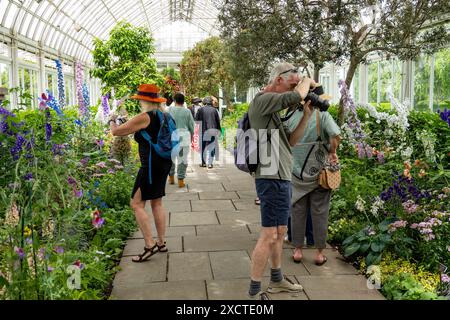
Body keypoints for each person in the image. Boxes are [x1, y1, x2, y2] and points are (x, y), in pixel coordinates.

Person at [247, 62, 316, 299]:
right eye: (292, 81)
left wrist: (305, 116)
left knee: (279, 231)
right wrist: (307, 82)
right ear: (278, 80)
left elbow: (291, 142)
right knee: (269, 235)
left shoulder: (272, 110)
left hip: (280, 176)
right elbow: (297, 94)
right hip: (272, 177)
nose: (295, 86)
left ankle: (277, 280)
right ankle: (255, 291)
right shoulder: (262, 100)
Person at [109, 84, 172, 263]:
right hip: (164, 162)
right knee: (157, 202)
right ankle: (161, 242)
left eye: (140, 100)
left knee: (136, 204)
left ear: (145, 100)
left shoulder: (145, 117)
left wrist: (112, 120)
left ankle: (149, 245)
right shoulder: (164, 115)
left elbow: (116, 132)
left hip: (150, 166)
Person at [287, 90, 341, 266]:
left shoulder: (293, 115)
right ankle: (318, 254)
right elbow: (335, 135)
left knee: (297, 212)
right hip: (319, 173)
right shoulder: (322, 116)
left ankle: (297, 251)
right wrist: (332, 151)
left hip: (296, 173)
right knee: (320, 212)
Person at [167, 93, 195, 188]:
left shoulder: (169, 110)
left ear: (174, 101)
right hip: (184, 136)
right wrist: (192, 136)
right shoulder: (187, 112)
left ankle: (171, 177)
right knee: (182, 159)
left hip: (171, 136)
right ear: (183, 101)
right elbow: (191, 126)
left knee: (171, 158)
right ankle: (180, 180)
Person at [195, 96, 221, 169]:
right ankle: (210, 163)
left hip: (202, 131)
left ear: (204, 102)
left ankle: (203, 163)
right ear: (210, 102)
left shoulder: (200, 110)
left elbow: (197, 121)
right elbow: (218, 122)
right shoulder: (214, 110)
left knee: (203, 147)